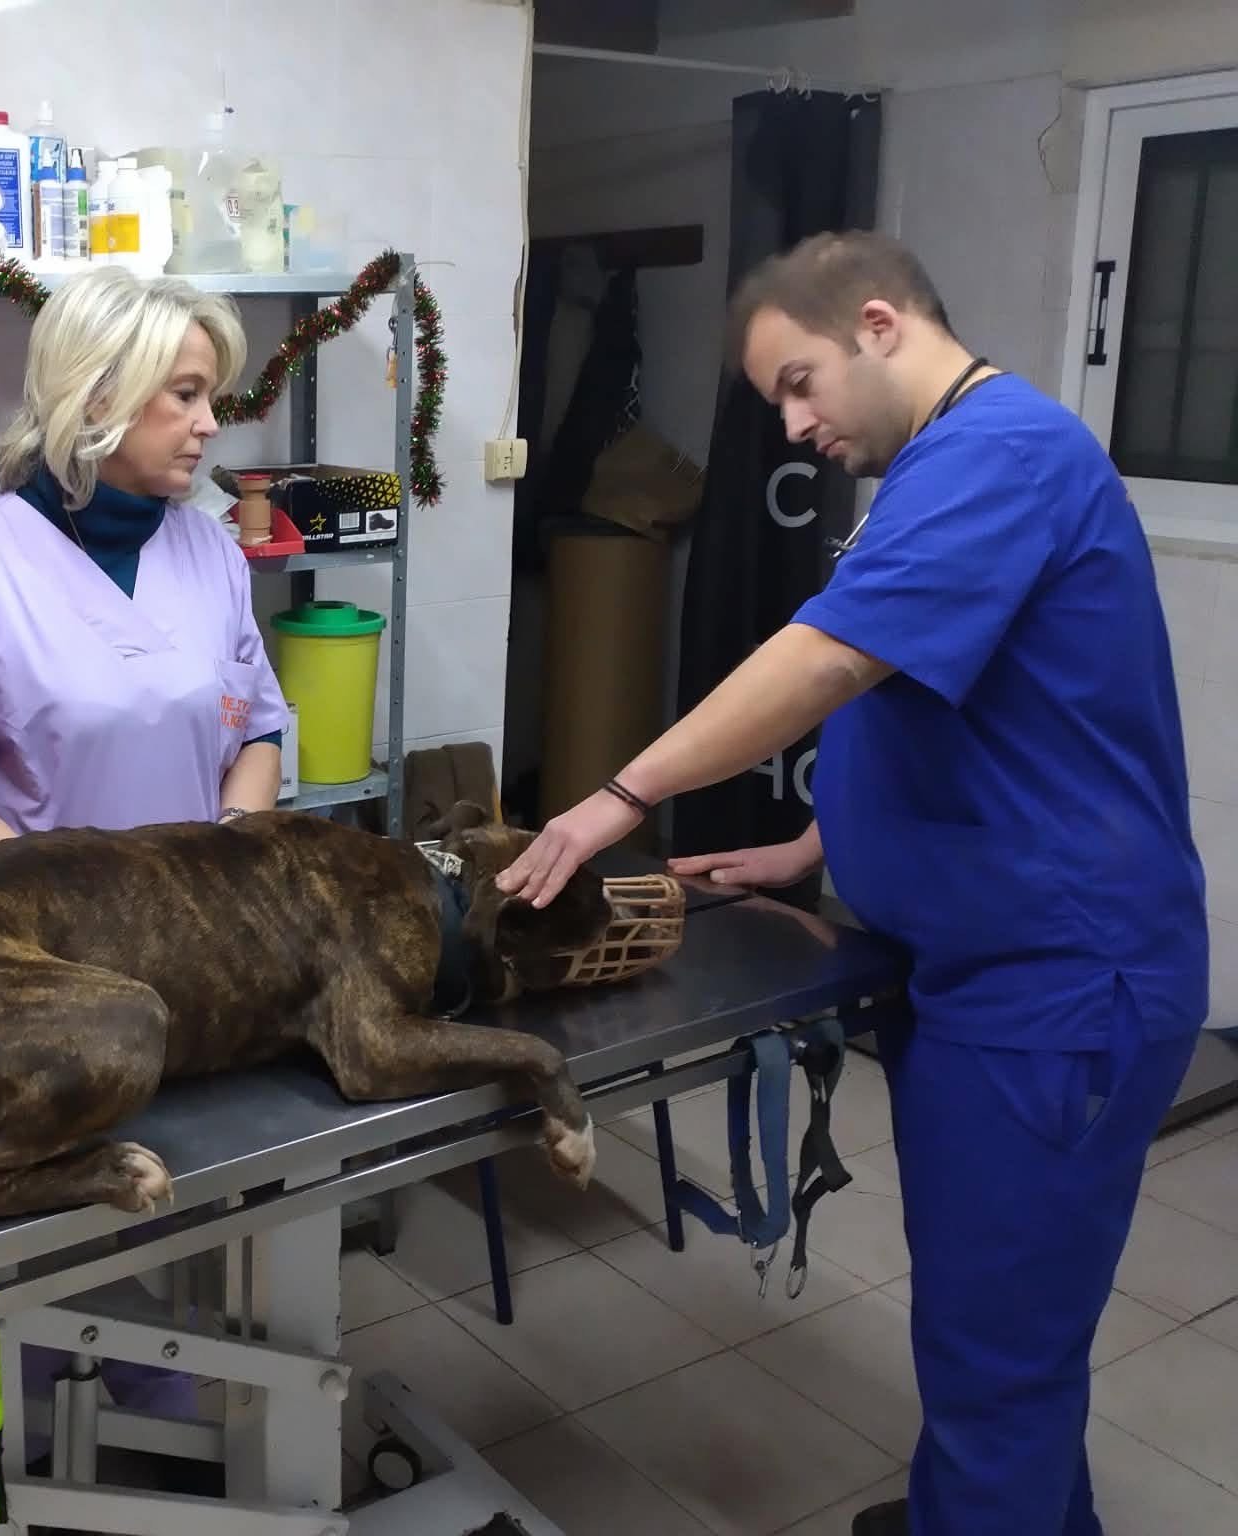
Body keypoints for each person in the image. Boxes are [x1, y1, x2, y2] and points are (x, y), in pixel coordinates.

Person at [497, 231, 1206, 1536]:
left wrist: (618, 796)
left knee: (999, 1353)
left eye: (798, 382)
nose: (792, 424)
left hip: (1056, 987)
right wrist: (814, 848)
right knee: (996, 1328)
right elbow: (954, 701)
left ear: (879, 325)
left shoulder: (1002, 454)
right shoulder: (943, 466)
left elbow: (830, 659)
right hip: (974, 971)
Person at [0, 263, 290, 1453]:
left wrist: (233, 860)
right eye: (185, 395)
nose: (209, 426)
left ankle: (170, 1421)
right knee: (49, 1232)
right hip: (37, 970)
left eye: (211, 397)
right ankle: (28, 1444)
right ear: (95, 397)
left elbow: (257, 727)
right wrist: (72, 907)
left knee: (190, 1190)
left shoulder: (208, 552)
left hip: (204, 963)